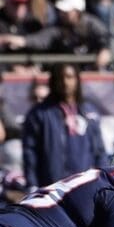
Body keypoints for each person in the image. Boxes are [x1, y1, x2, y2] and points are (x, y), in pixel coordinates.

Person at [21, 62, 106, 190]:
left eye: (69, 77)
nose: (65, 82)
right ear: (53, 81)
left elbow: (99, 150)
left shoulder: (89, 112)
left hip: (84, 186)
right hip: (51, 187)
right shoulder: (39, 114)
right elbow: (30, 152)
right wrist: (32, 184)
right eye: (61, 78)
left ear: (77, 80)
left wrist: (102, 178)